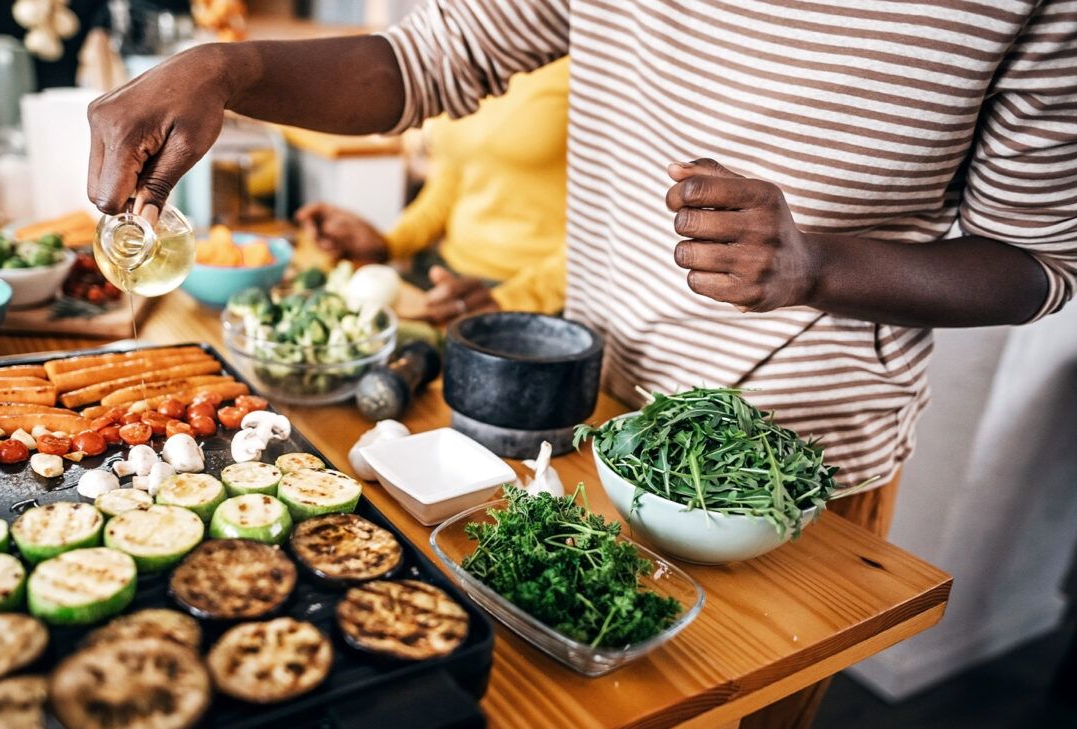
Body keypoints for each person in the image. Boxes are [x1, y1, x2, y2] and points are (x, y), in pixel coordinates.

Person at [86, 3, 1076, 724]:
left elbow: (1038, 263)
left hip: (789, 488)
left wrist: (822, 264)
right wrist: (231, 68)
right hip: (586, 415)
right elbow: (433, 59)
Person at [294, 57, 570, 322]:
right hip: (444, 273)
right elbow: (451, 180)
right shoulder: (467, 57)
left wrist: (513, 299)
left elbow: (606, 230)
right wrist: (388, 243)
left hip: (536, 297)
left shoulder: (581, 64)